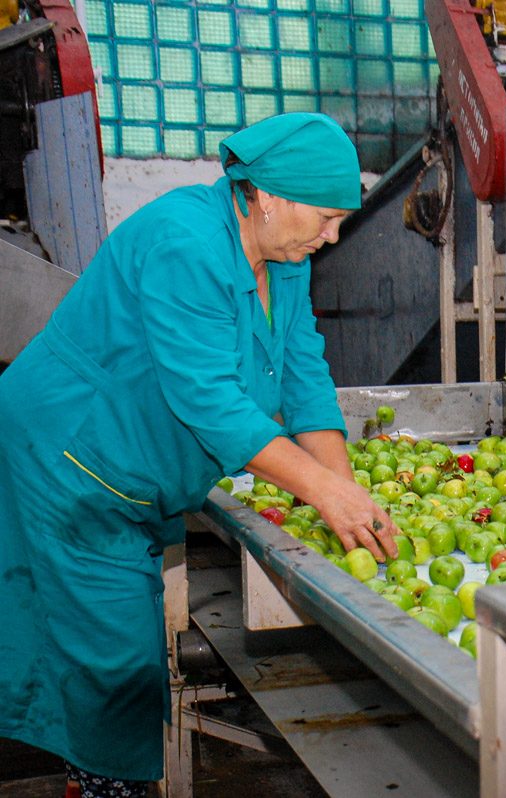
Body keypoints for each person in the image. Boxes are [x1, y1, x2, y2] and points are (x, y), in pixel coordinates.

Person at [0, 112, 399, 796]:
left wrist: (349, 496)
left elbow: (304, 376)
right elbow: (211, 402)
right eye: (327, 218)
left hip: (127, 463)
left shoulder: (286, 255)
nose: (332, 237)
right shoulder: (184, 243)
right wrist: (322, 493)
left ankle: (88, 774)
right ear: (268, 195)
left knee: (98, 643)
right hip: (72, 459)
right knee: (114, 662)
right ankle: (106, 787)